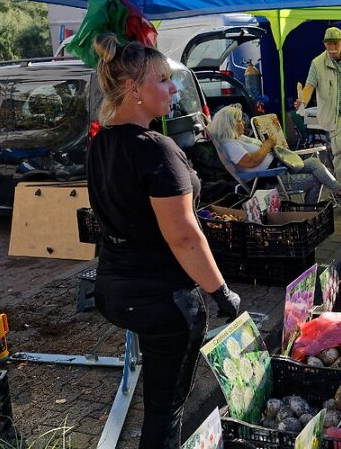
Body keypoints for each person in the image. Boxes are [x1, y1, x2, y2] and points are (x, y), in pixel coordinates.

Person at [85, 34, 242, 448]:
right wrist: (221, 293)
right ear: (133, 90)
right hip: (162, 301)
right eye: (163, 80)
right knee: (163, 409)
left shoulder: (101, 142)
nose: (174, 89)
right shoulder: (155, 149)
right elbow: (184, 236)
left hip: (114, 290)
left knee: (160, 400)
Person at [207, 105, 341, 212]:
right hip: (272, 179)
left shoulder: (238, 139)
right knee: (315, 179)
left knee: (313, 162)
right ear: (231, 124)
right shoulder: (230, 144)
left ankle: (340, 192)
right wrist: (268, 144)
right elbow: (251, 161)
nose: (244, 123)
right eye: (240, 120)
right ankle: (314, 210)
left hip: (279, 169)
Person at [296, 27, 341, 190]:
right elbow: (309, 86)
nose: (331, 47)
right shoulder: (317, 63)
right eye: (328, 44)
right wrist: (303, 102)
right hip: (334, 115)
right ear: (324, 44)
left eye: (335, 43)